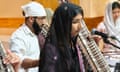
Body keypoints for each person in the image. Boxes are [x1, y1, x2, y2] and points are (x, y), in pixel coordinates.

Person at [39, 3, 93, 72]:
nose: (80, 27)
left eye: (81, 21)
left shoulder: (72, 43)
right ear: (63, 23)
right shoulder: (51, 49)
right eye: (75, 22)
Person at [9, 1, 47, 72]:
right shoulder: (18, 36)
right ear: (31, 19)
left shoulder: (39, 33)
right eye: (42, 18)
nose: (44, 22)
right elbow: (19, 61)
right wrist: (42, 62)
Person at [97, 1, 120, 71]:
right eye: (114, 12)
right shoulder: (102, 27)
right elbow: (99, 48)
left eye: (118, 12)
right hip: (108, 57)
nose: (117, 15)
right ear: (108, 13)